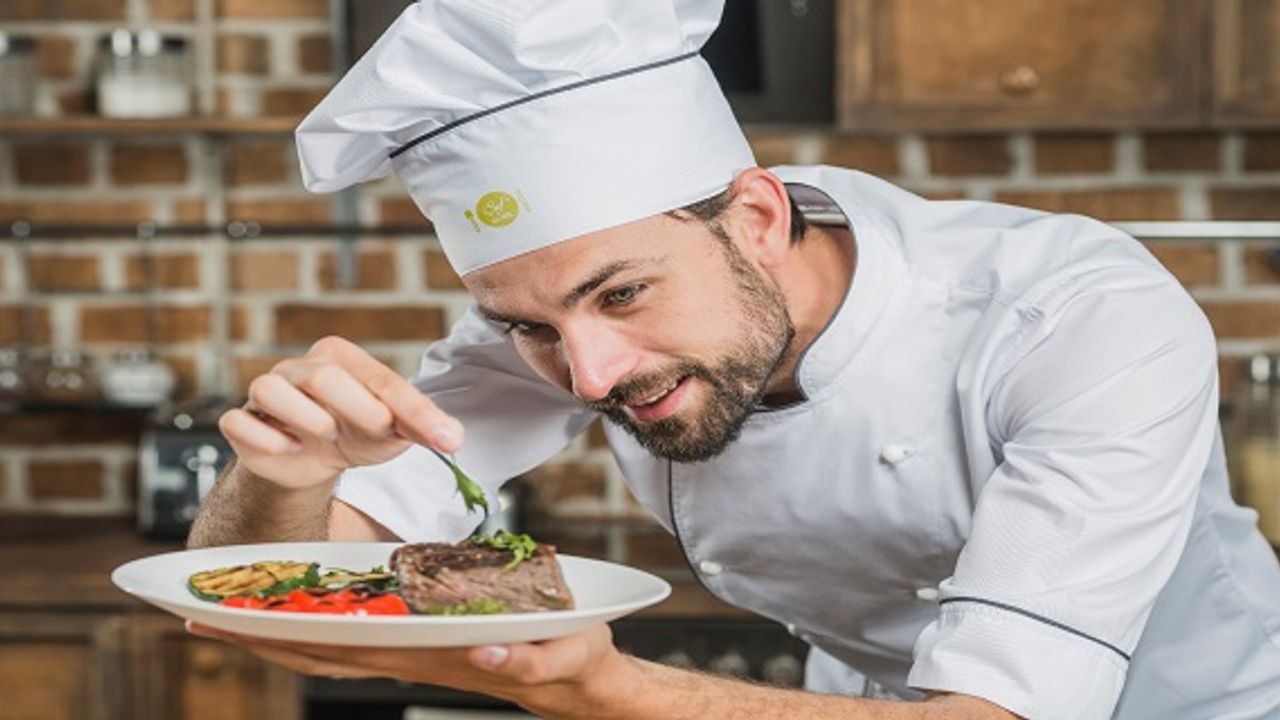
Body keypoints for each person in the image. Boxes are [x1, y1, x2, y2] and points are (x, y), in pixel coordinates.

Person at [187, 1, 1280, 718]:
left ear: (755, 216)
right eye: (526, 324)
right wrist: (280, 479)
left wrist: (598, 690)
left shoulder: (1076, 316)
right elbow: (280, 603)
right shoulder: (558, 330)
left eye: (622, 293)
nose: (589, 373)